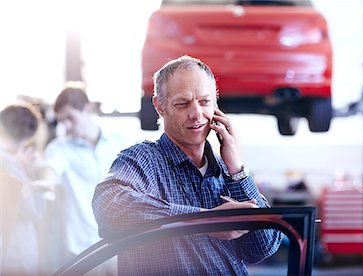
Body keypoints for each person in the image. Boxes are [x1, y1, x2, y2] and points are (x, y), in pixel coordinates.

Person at [92, 55, 282, 275]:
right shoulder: (142, 159)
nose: (196, 114)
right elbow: (108, 207)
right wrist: (207, 221)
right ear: (160, 106)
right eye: (182, 104)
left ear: (216, 105)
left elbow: (263, 248)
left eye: (204, 102)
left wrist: (237, 169)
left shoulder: (227, 171)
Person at [43, 86, 133, 272]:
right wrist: (44, 182)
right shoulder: (59, 149)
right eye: (61, 121)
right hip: (83, 250)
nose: (66, 126)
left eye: (70, 118)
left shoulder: (120, 142)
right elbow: (51, 170)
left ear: (87, 109)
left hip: (123, 245)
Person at [0, 103, 47, 275]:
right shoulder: (12, 165)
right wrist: (32, 173)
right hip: (16, 250)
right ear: (29, 135)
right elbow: (34, 212)